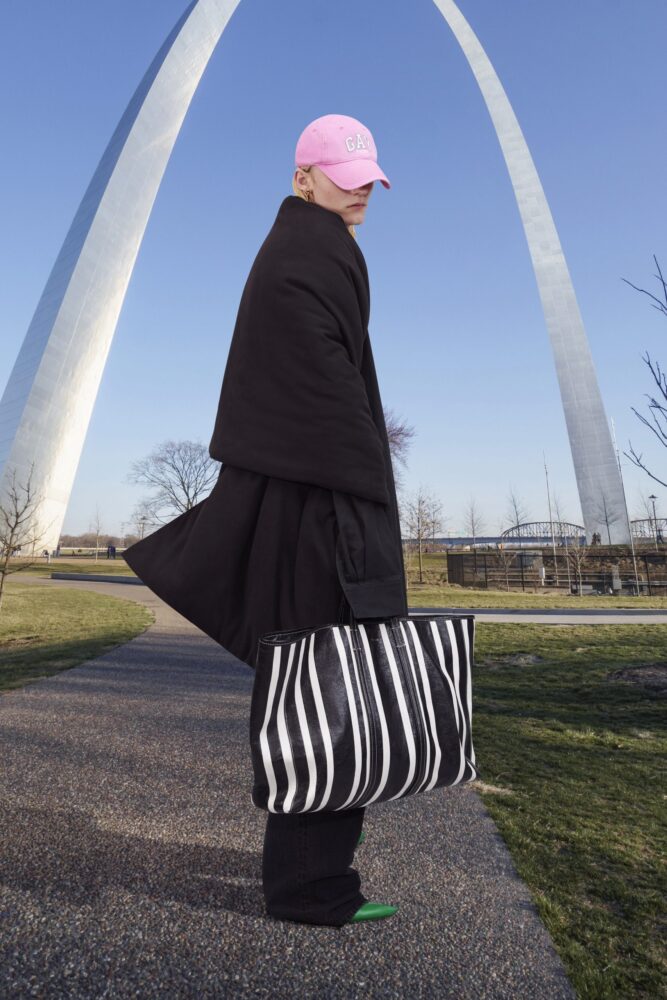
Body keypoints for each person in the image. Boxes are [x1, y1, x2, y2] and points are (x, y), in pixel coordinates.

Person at [122, 113, 407, 927]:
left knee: (315, 687)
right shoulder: (306, 253)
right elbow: (319, 389)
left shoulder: (307, 248)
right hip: (319, 510)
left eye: (367, 178)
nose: (360, 190)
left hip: (310, 500)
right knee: (325, 692)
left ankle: (310, 869)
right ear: (301, 178)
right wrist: (368, 483)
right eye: (344, 177)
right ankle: (311, 885)